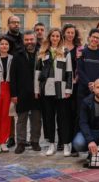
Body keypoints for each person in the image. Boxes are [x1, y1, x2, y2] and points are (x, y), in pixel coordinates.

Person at [35, 28, 73, 156]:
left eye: (57, 36)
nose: (55, 38)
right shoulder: (42, 52)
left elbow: (69, 72)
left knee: (64, 119)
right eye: (53, 36)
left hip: (61, 90)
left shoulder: (65, 52)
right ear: (49, 37)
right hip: (46, 90)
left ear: (60, 38)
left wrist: (68, 89)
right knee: (48, 118)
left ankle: (66, 144)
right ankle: (51, 144)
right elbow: (37, 73)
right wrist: (36, 90)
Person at [10, 31, 42, 154]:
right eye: (27, 40)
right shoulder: (17, 54)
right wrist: (13, 94)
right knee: (21, 119)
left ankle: (35, 141)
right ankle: (21, 143)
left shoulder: (42, 52)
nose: (29, 42)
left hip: (37, 92)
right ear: (23, 41)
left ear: (35, 39)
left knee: (36, 119)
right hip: (21, 92)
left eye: (31, 39)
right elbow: (13, 76)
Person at [62, 23, 82, 156]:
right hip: (62, 86)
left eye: (72, 33)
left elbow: (80, 66)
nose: (70, 35)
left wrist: (77, 77)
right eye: (68, 32)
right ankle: (65, 143)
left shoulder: (79, 49)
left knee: (76, 115)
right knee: (64, 116)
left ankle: (74, 145)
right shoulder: (59, 48)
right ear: (64, 33)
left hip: (76, 86)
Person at [4, 15, 24, 148]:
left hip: (23, 78)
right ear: (8, 24)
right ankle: (11, 137)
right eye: (13, 22)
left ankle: (22, 138)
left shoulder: (24, 38)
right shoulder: (4, 40)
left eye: (18, 22)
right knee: (10, 111)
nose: (16, 25)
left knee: (23, 111)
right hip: (8, 78)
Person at [77, 28, 99, 109]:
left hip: (98, 90)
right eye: (93, 37)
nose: (95, 39)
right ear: (89, 37)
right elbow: (80, 70)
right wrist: (89, 83)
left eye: (97, 38)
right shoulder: (81, 52)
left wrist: (96, 84)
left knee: (96, 115)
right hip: (83, 89)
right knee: (82, 114)